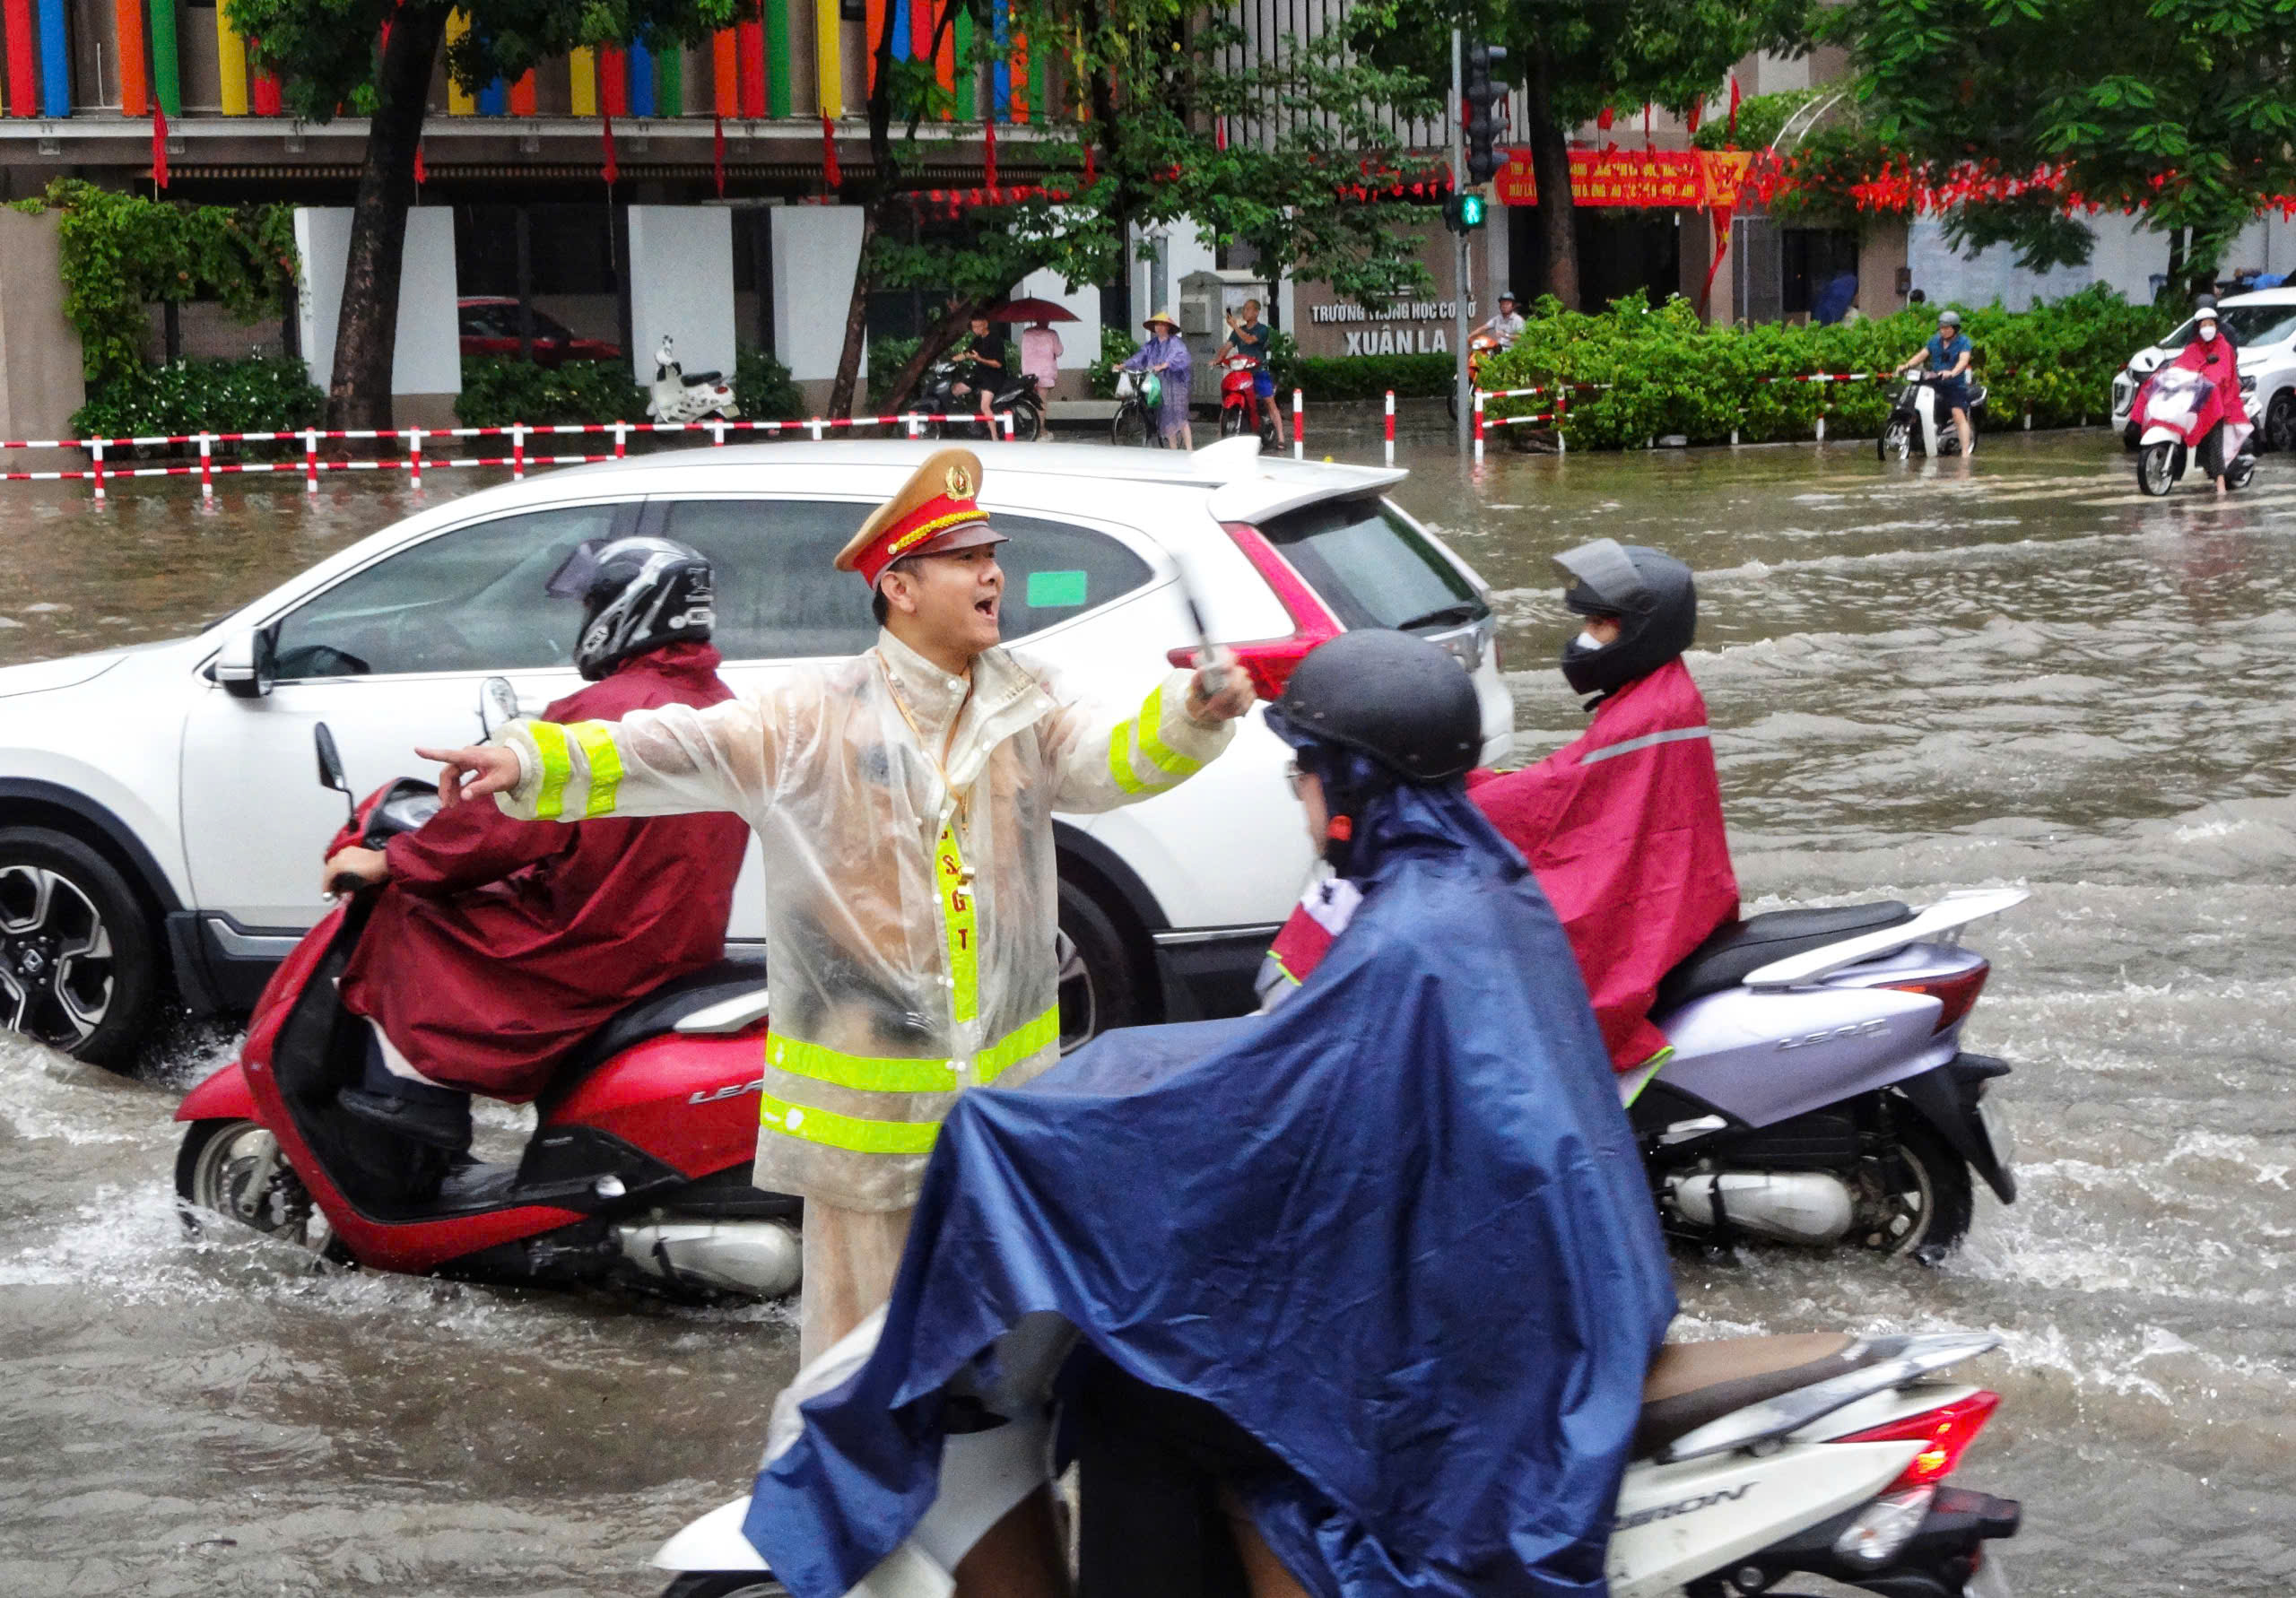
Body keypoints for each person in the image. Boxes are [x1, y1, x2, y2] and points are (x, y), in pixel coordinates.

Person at [735, 628, 1676, 1598]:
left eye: (1303, 776)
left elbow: (1272, 1102)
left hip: (1457, 1337)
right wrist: (1125, 1075)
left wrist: (1035, 1134)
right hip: (1530, 1283)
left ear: (1347, 788)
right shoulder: (1473, 884)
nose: (1301, 799)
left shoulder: (1407, 939)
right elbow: (1306, 1078)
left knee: (1141, 1401)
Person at [414, 447, 1256, 1367]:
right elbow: (673, 746)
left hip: (1003, 1117)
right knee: (858, 1370)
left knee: (1001, 1364)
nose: (992, 574)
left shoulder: (1025, 698)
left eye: (992, 555)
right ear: (900, 586)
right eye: (965, 559)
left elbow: (1109, 761)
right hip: (867, 1133)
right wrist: (531, 761)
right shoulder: (813, 717)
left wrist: (1192, 713)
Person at [1259, 541, 1737, 1103]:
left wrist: (1445, 803)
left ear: (1642, 630)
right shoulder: (1657, 695)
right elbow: (1574, 781)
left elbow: (1569, 798)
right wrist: (1484, 785)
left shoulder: (1654, 712)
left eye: (1600, 624)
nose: (1585, 636)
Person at [324, 536, 751, 1159]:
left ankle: (416, 1099)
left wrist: (391, 860)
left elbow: (499, 825)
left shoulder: (602, 710)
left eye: (592, 606)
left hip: (595, 942)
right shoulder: (722, 709)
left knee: (407, 913)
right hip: (674, 942)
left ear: (628, 610)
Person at [2170, 300, 2252, 494]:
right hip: (2196, 398)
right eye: (2203, 325)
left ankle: (2221, 483)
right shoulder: (2193, 347)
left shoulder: (2224, 347)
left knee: (2214, 437)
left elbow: (2222, 374)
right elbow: (2181, 366)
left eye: (2210, 324)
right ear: (2198, 328)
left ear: (2216, 325)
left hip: (2220, 399)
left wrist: (2209, 384)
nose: (2207, 328)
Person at [1894, 307, 1976, 456]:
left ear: (1955, 328)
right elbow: (1921, 356)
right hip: (1935, 382)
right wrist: (1905, 366)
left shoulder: (1964, 342)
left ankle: (1965, 452)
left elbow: (1963, 361)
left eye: (1946, 328)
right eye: (1941, 327)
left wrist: (1952, 373)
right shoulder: (1935, 341)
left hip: (1954, 385)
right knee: (1914, 400)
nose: (1943, 331)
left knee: (1957, 413)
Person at [1119, 310, 1195, 449]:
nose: (1159, 327)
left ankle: (1189, 449)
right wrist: (1123, 365)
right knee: (1166, 416)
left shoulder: (1175, 343)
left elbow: (1180, 358)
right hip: (1161, 384)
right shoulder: (1151, 345)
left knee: (1180, 415)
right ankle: (1173, 450)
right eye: (1157, 325)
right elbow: (1139, 357)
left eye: (1162, 325)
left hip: (1177, 384)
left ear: (1168, 327)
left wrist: (1165, 365)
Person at [1220, 300, 1288, 445]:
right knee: (1226, 399)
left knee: (1269, 402)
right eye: (1244, 309)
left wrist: (1235, 327)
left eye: (1249, 309)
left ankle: (1281, 437)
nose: (1245, 312)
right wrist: (1217, 359)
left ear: (1256, 312)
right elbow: (1227, 347)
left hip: (1258, 371)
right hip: (1242, 373)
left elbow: (1249, 340)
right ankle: (1220, 432)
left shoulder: (1262, 329)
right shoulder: (1237, 331)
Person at [952, 310, 1010, 426]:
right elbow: (966, 354)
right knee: (954, 390)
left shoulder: (995, 339)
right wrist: (952, 360)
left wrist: (980, 359)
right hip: (980, 375)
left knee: (985, 406)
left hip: (994, 377)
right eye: (974, 327)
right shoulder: (977, 340)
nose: (976, 330)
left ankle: (995, 438)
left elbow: (998, 364)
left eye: (978, 326)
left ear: (986, 324)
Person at [1019, 316, 1063, 439]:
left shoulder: (1027, 333)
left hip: (1029, 373)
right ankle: (1041, 429)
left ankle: (1035, 426)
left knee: (1034, 402)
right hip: (1045, 373)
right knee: (1041, 403)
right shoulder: (1052, 334)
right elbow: (1059, 351)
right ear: (1048, 320)